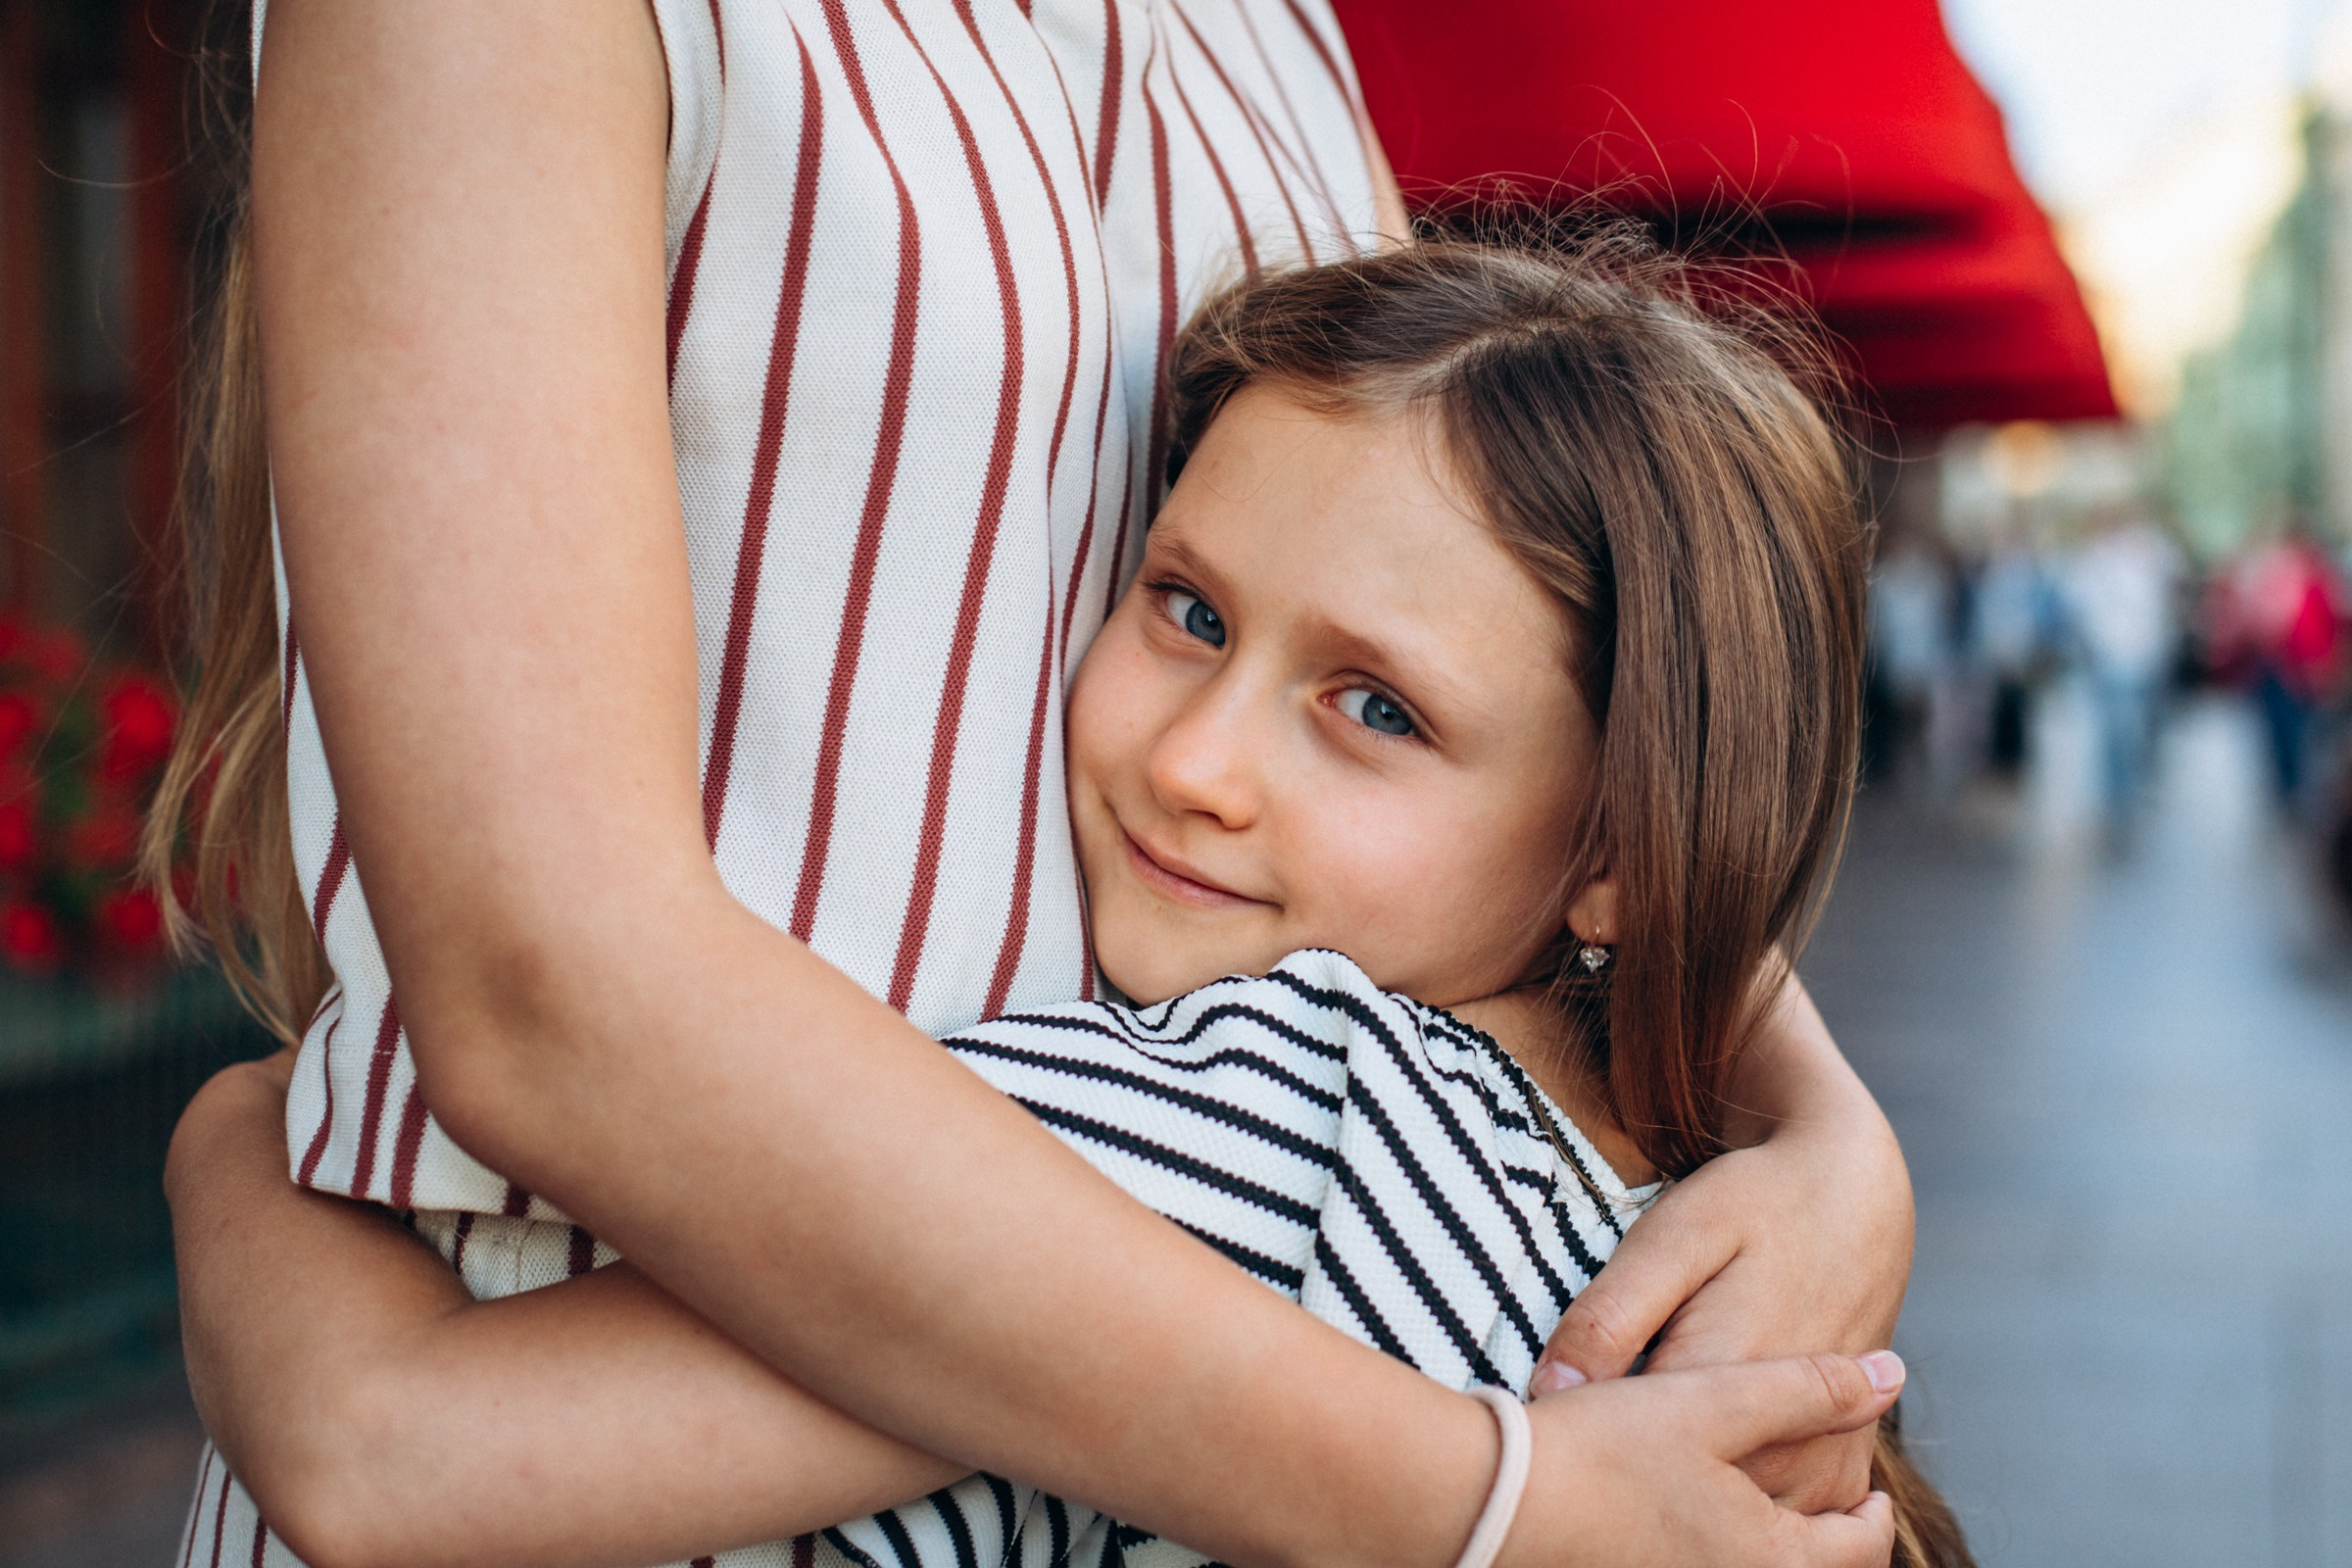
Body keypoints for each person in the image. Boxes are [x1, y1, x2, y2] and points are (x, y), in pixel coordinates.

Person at [153, 6, 1916, 1566]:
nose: (1199, 764)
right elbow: (548, 1001)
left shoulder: (1275, 42)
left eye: (1362, 711)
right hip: (623, 1372)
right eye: (1184, 609)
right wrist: (1495, 1496)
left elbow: (1535, 670)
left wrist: (1828, 1130)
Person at [2057, 509, 2180, 829]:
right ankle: (2117, 795)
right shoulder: (2096, 565)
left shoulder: (2144, 561)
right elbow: (2078, 608)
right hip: (2112, 659)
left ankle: (2123, 791)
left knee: (2130, 729)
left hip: (2140, 659)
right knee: (2118, 730)